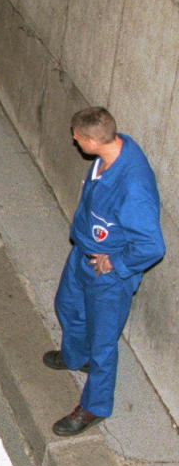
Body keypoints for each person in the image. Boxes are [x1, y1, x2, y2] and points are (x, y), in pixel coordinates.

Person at [45, 107, 164, 436]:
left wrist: (115, 263)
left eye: (77, 137)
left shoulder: (134, 188)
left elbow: (153, 246)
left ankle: (94, 406)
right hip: (82, 254)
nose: (73, 139)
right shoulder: (109, 152)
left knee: (103, 341)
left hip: (108, 276)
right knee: (67, 306)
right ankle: (75, 355)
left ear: (93, 141)